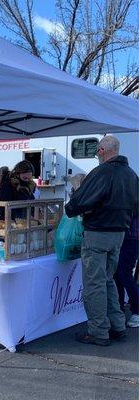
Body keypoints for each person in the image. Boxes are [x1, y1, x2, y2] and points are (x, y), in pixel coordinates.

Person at [65, 135, 139, 346]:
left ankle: (98, 331)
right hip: (119, 233)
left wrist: (72, 206)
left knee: (94, 283)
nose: (97, 154)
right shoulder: (131, 174)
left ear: (104, 150)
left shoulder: (102, 172)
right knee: (107, 279)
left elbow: (79, 202)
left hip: (98, 232)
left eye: (97, 150)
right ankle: (117, 325)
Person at [114, 214, 139, 328]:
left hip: (130, 236)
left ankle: (136, 311)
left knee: (124, 274)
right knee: (119, 275)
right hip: (127, 236)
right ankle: (120, 311)